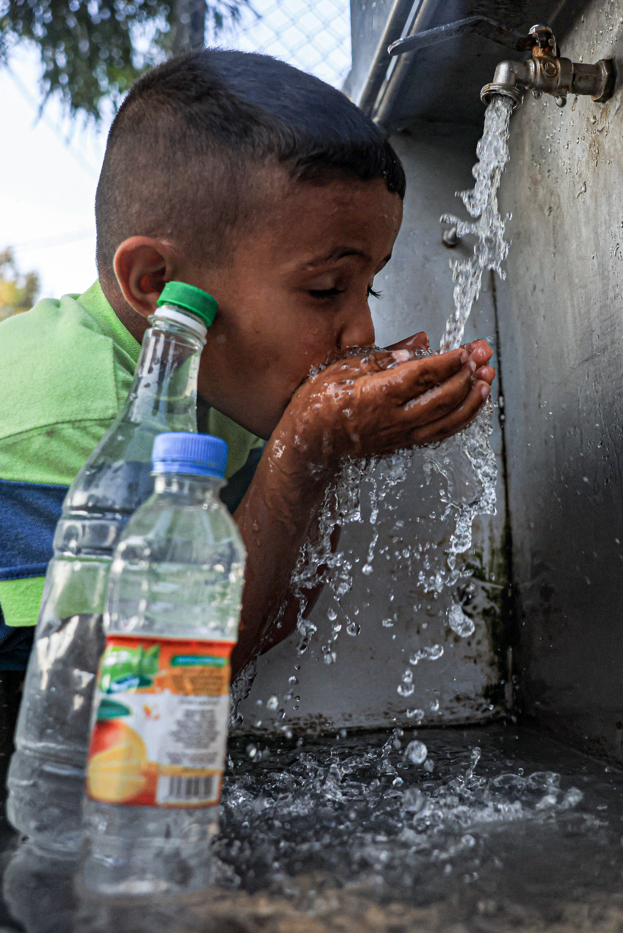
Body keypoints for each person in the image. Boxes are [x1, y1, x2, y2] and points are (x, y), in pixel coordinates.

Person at [0, 49, 495, 682]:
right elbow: (151, 684)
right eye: (325, 290)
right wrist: (306, 449)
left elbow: (259, 619)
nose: (363, 332)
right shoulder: (73, 416)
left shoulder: (220, 384)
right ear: (156, 282)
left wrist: (323, 456)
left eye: (367, 288)